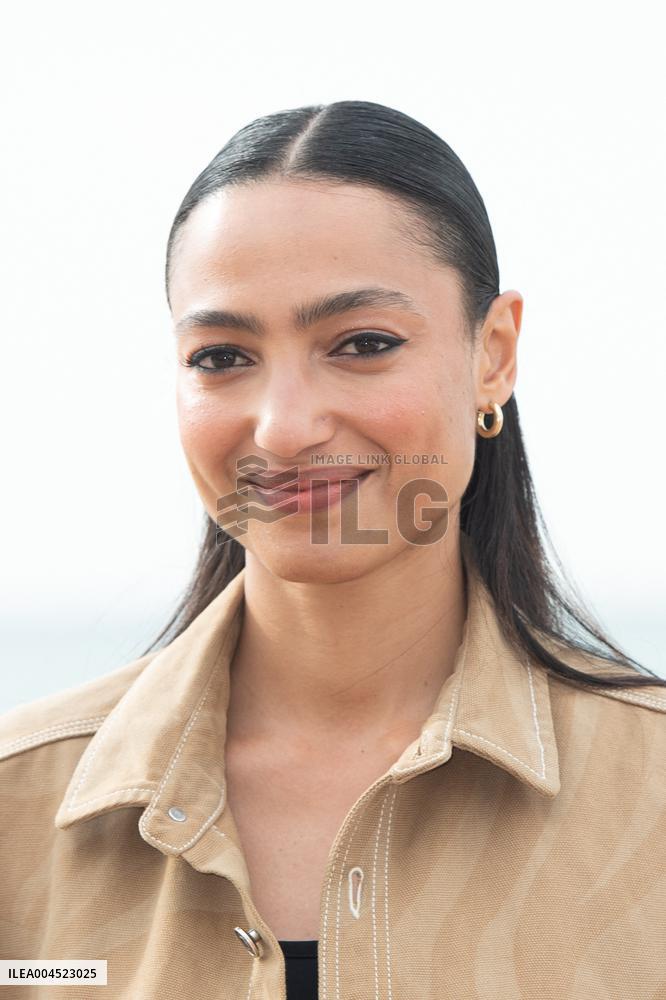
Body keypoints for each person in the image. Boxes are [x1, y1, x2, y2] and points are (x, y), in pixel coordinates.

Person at [1, 100, 665, 1000]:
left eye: (361, 344)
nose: (283, 428)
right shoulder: (20, 813)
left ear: (494, 355)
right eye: (222, 356)